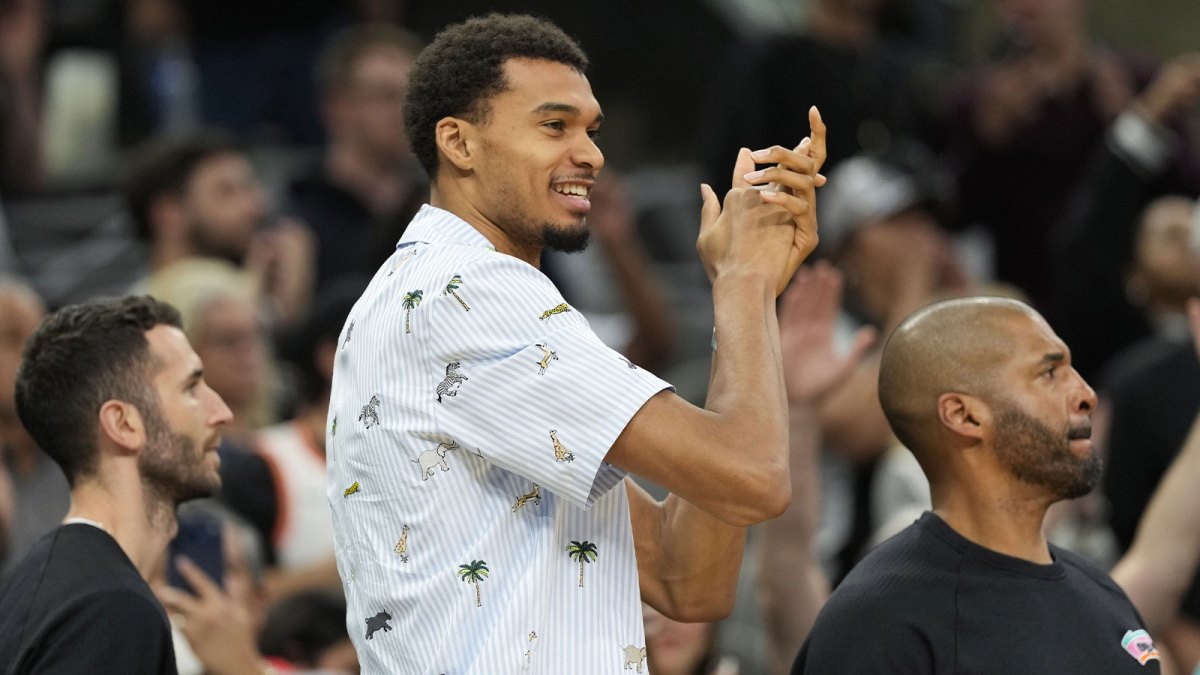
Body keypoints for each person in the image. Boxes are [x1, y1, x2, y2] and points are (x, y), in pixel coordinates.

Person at [327, 13, 824, 673]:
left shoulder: (436, 290)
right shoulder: (471, 294)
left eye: (591, 129)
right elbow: (756, 477)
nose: (590, 154)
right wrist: (739, 287)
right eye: (554, 125)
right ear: (459, 143)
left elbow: (687, 577)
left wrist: (749, 287)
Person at [794, 296, 1161, 673]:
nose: (1086, 395)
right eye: (1049, 373)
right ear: (964, 415)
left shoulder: (1104, 595)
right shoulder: (881, 623)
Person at [0, 295, 245, 673]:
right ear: (124, 424)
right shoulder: (111, 610)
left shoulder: (33, 584)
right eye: (192, 388)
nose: (221, 413)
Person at [286, 23, 428, 291]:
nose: (406, 112)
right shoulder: (298, 221)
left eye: (414, 97)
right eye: (387, 96)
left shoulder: (436, 210)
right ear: (338, 106)